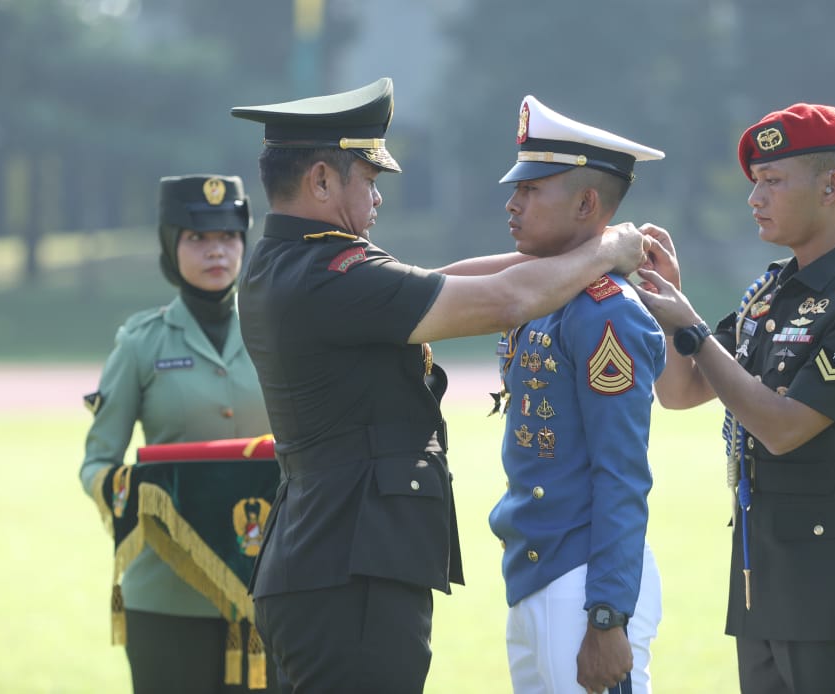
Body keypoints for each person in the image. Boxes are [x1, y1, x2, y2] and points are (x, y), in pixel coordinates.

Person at [229, 77, 650, 693]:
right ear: (321, 180)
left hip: (322, 563)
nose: (377, 202)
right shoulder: (331, 273)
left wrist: (586, 252)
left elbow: (440, 280)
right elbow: (506, 300)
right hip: (353, 576)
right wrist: (610, 246)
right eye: (367, 181)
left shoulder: (290, 265)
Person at [633, 104, 835, 694]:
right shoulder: (770, 295)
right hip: (763, 577)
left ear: (831, 186)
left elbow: (783, 428)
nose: (755, 198)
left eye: (773, 181)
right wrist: (670, 312)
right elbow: (682, 393)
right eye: (755, 183)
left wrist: (695, 332)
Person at [487, 95, 666, 694]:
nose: (512, 202)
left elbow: (622, 472)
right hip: (540, 572)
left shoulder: (604, 314)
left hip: (584, 584)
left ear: (588, 204)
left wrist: (609, 615)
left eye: (533, 189)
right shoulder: (544, 294)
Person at [79, 174, 278, 693]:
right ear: (172, 246)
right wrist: (142, 491)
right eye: (197, 238)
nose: (216, 251)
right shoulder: (140, 343)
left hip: (273, 583)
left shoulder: (277, 332)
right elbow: (98, 462)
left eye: (228, 237)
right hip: (168, 590)